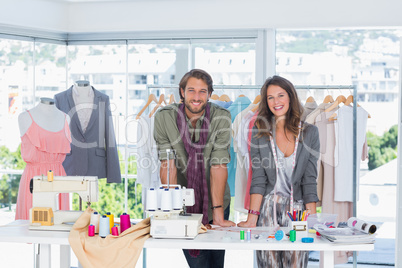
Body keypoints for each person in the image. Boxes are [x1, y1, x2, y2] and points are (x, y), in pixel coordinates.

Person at [153, 69, 236, 268]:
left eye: (202, 91)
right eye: (191, 90)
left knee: (217, 263)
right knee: (198, 264)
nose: (196, 97)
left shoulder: (221, 117)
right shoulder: (164, 118)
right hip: (184, 204)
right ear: (182, 92)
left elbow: (218, 164)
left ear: (209, 93)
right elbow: (167, 163)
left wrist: (217, 214)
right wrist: (172, 210)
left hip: (217, 201)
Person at [238, 76, 320, 268]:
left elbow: (309, 179)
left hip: (298, 212)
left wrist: (313, 220)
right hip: (268, 210)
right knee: (269, 264)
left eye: (281, 95)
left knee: (296, 265)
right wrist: (252, 218)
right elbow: (257, 178)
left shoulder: (310, 133)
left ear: (290, 97)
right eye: (270, 97)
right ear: (265, 102)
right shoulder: (259, 133)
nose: (276, 102)